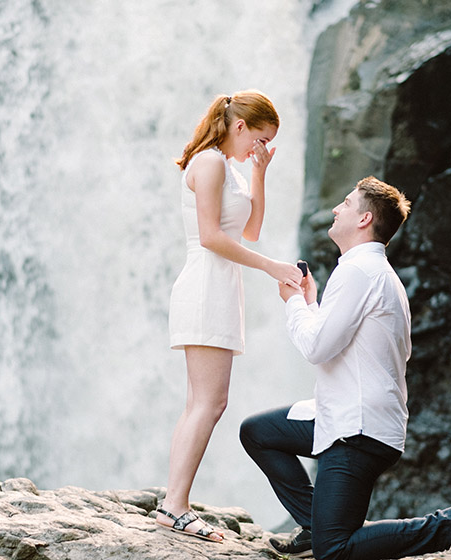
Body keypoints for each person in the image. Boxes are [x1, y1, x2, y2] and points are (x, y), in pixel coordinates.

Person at [239, 176, 451, 560]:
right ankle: (315, 527)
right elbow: (338, 339)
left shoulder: (358, 272)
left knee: (335, 553)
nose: (337, 208)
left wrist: (292, 303)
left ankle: (448, 526)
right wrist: (309, 302)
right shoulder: (372, 273)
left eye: (345, 202)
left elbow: (317, 347)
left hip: (356, 429)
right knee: (258, 432)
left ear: (364, 219)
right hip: (343, 417)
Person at [156, 90, 304, 543]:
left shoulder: (234, 169)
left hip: (220, 289)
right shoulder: (210, 163)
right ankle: (175, 506)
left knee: (203, 402)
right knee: (209, 403)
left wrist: (260, 173)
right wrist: (272, 268)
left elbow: (251, 231)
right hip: (205, 286)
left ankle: (173, 502)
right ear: (240, 126)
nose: (259, 148)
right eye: (260, 140)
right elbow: (209, 237)